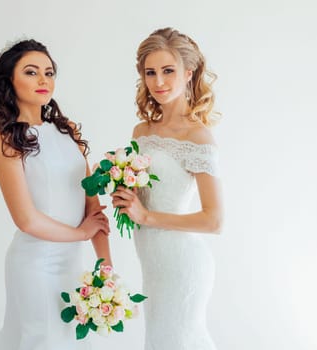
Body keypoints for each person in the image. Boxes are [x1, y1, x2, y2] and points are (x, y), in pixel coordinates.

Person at [0, 39, 111, 350]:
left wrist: (106, 271)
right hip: (34, 264)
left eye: (49, 72)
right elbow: (26, 219)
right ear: (9, 82)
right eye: (31, 72)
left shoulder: (68, 133)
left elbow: (93, 210)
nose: (44, 80)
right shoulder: (7, 139)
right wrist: (80, 234)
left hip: (72, 265)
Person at [111, 28, 223, 350]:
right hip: (152, 263)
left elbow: (214, 221)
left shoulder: (198, 136)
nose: (158, 82)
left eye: (168, 71)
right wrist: (122, 191)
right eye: (151, 72)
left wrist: (146, 215)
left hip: (182, 265)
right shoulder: (141, 131)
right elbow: (140, 194)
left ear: (188, 73)